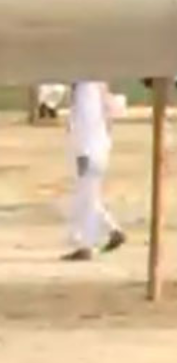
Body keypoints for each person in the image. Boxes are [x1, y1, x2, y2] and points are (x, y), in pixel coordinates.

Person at [62, 81, 126, 261]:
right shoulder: (97, 88)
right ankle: (112, 230)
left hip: (88, 151)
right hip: (99, 148)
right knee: (88, 196)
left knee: (86, 197)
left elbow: (85, 125)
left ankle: (87, 245)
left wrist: (81, 151)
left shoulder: (86, 88)